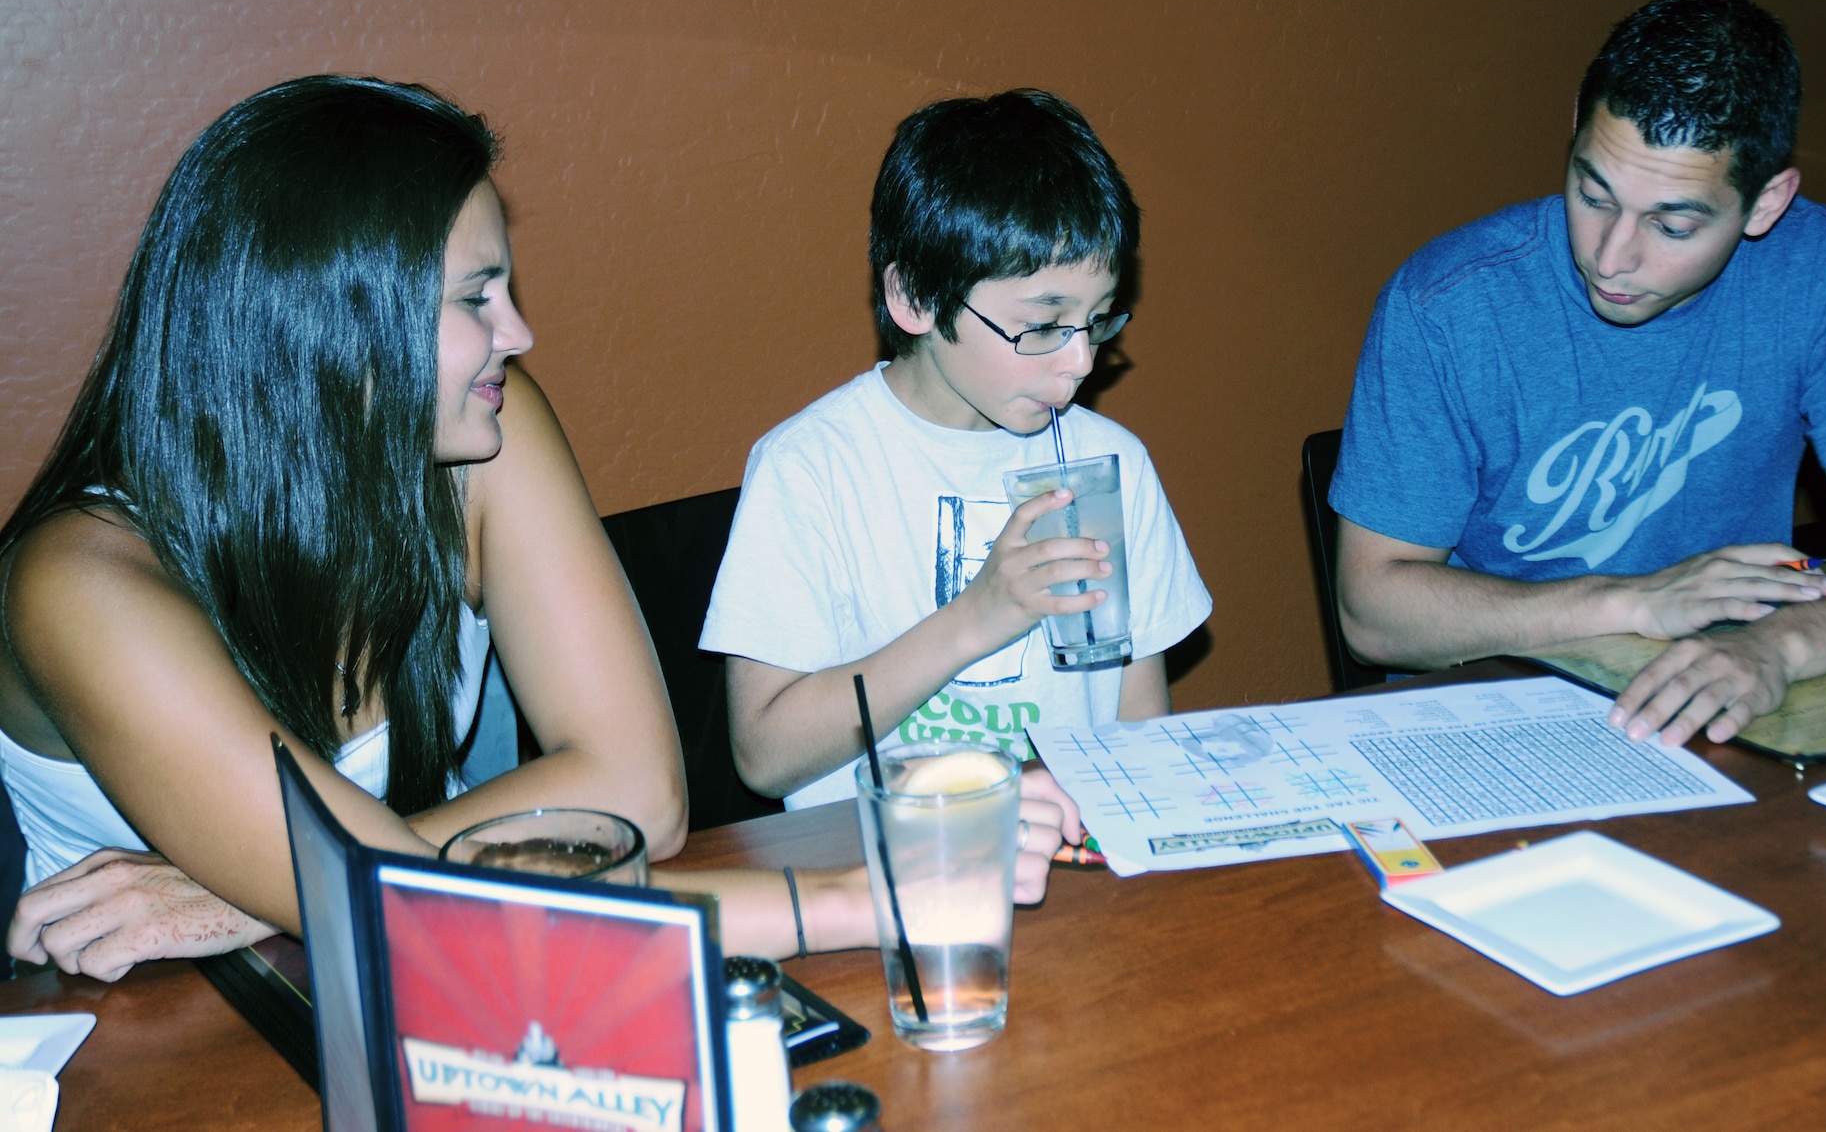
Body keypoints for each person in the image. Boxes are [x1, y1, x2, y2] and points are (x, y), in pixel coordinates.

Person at [0, 76, 1078, 981]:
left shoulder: (488, 436)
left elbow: (638, 794)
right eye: (475, 296)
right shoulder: (82, 584)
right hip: (154, 1038)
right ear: (329, 326)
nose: (517, 332)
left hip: (459, 969)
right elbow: (393, 902)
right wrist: (856, 898)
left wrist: (253, 891)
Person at [1330, 0, 1826, 748]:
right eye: (1592, 193)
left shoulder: (1818, 272)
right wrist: (1633, 603)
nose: (1611, 257)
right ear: (1578, 124)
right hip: (1504, 718)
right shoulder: (1447, 305)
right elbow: (1372, 613)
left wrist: (1775, 648)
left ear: (1766, 203)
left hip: (1724, 710)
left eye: (1671, 225)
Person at [703, 89, 1211, 808]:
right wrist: (976, 619)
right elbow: (765, 756)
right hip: (875, 857)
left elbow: (1140, 733)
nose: (1079, 363)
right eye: (1043, 326)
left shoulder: (1113, 465)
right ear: (916, 297)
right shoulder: (812, 467)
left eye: (1097, 321)